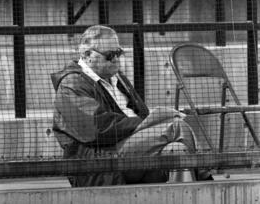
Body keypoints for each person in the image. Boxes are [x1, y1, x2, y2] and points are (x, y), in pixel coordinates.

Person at [51, 25, 212, 187]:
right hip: (98, 158)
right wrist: (149, 121)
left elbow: (139, 113)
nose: (116, 59)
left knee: (177, 149)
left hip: (127, 146)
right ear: (87, 55)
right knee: (176, 127)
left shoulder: (117, 78)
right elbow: (97, 128)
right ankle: (207, 183)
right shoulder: (72, 84)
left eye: (118, 53)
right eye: (109, 55)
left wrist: (151, 120)